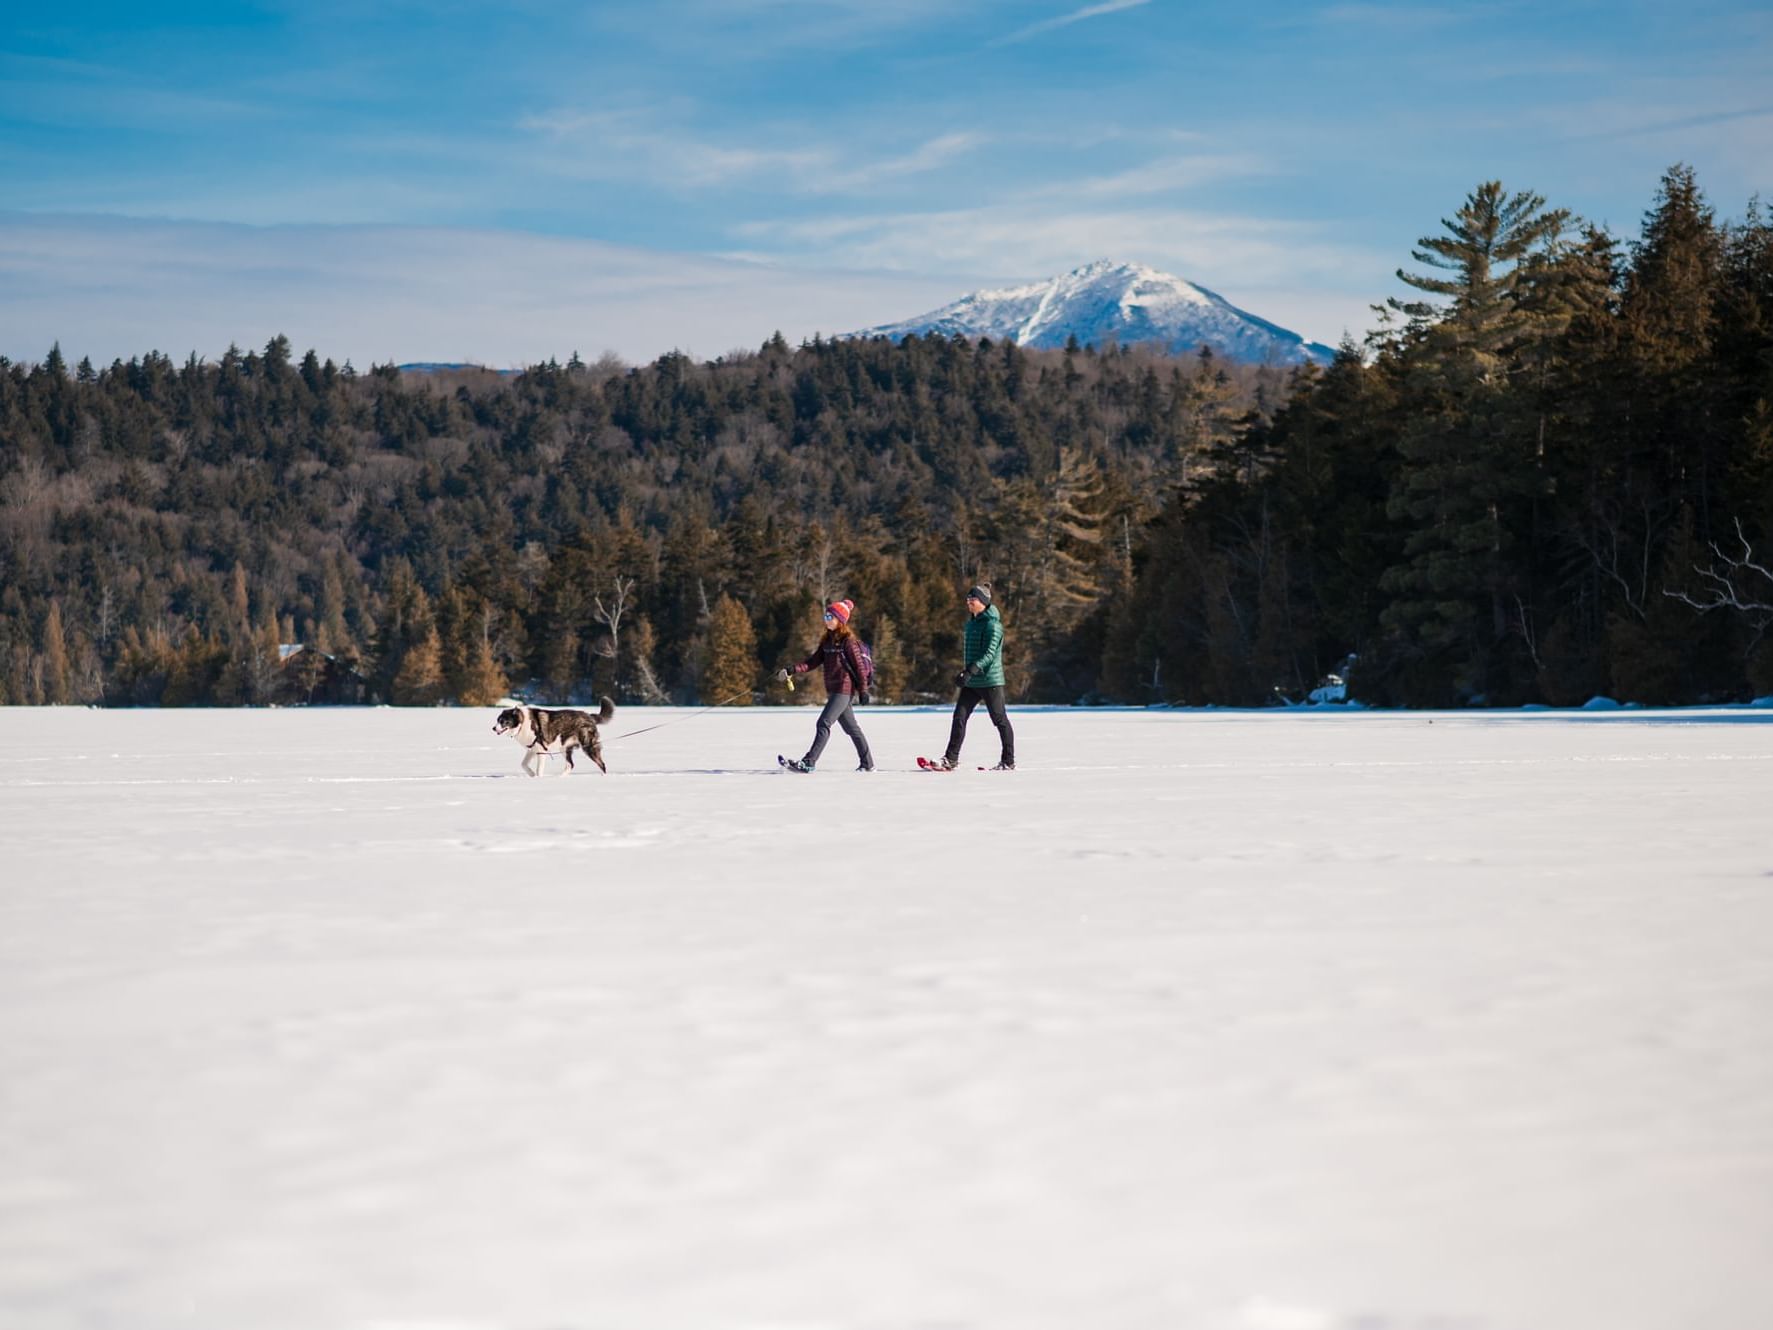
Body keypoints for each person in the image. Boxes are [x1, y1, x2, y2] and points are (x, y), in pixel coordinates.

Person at [775, 599, 873, 772]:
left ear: (840, 620)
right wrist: (792, 669)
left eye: (830, 616)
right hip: (834, 690)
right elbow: (812, 662)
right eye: (826, 615)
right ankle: (868, 764)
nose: (826, 619)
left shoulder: (848, 642)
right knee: (852, 729)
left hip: (844, 689)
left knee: (823, 723)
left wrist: (864, 690)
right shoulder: (827, 641)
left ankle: (809, 762)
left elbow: (859, 667)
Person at [933, 584, 1015, 771]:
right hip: (973, 680)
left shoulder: (993, 625)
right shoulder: (971, 623)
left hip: (990, 681)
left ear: (984, 603)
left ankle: (1008, 761)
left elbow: (989, 653)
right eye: (968, 599)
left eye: (974, 599)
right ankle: (950, 759)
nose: (969, 602)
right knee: (959, 717)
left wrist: (970, 670)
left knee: (999, 720)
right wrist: (967, 672)